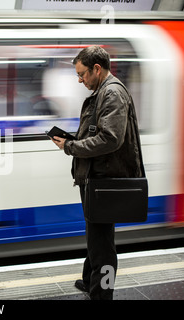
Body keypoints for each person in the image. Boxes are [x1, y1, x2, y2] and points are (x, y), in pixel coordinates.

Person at [50, 45, 143, 300]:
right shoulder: (103, 91)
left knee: (102, 246)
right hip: (97, 177)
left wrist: (71, 146)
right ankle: (91, 280)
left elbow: (110, 139)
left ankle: (102, 294)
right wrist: (73, 142)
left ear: (97, 69)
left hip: (105, 180)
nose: (80, 80)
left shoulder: (112, 93)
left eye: (82, 74)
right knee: (97, 237)